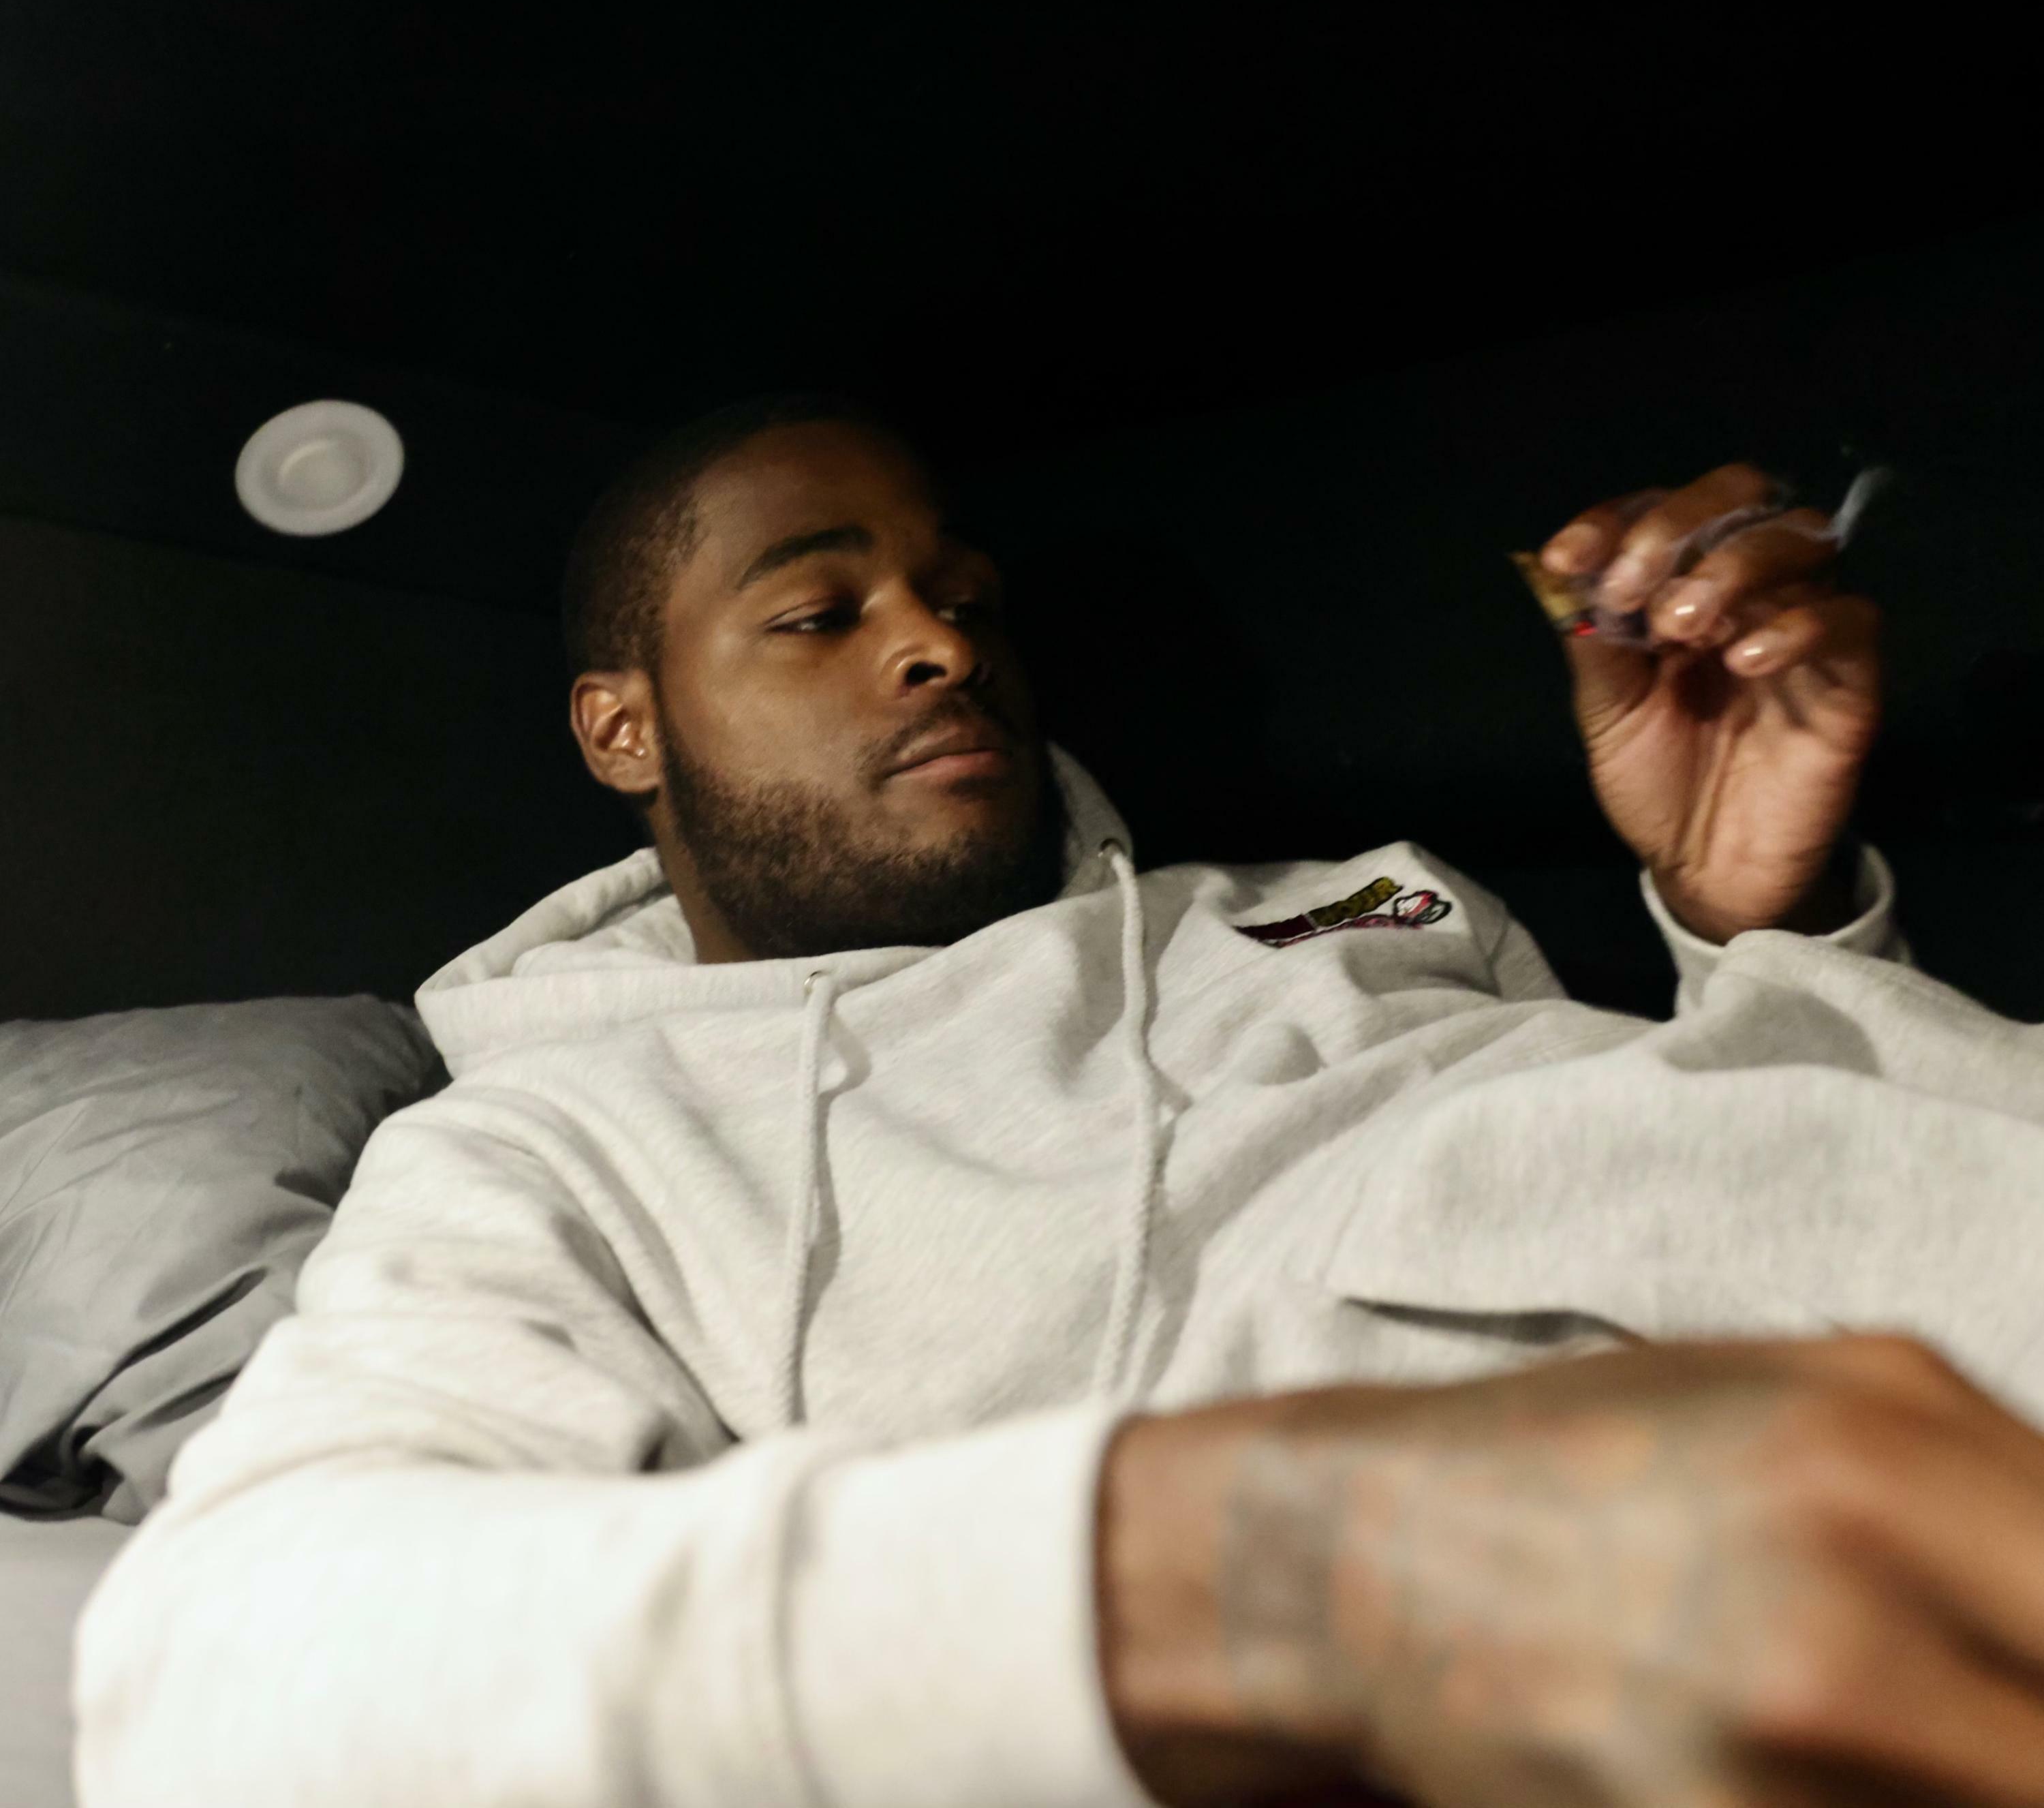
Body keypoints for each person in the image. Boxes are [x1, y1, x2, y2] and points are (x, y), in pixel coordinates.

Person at [72, 391, 2044, 1808]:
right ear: (623, 729)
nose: (942, 645)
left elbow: (1749, 1159)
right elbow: (228, 1678)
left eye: (963, 598)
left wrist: (1767, 927)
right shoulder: (557, 1143)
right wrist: (1287, 1570)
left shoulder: (1353, 895)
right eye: (821, 614)